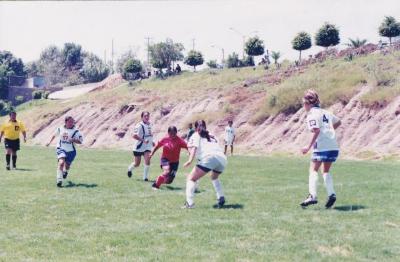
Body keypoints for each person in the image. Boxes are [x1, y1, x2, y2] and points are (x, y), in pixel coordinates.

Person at [300, 89, 341, 209]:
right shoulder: (326, 112)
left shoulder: (312, 114)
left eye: (304, 104)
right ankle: (331, 194)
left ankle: (312, 196)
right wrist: (328, 132)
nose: (303, 106)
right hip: (333, 146)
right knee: (325, 171)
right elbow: (339, 122)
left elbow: (316, 130)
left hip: (322, 146)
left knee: (313, 170)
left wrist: (308, 147)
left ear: (308, 103)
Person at [182, 120, 227, 209]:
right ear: (205, 126)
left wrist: (190, 160)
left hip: (209, 158)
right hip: (222, 158)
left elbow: (194, 148)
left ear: (195, 128)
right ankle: (221, 196)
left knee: (190, 178)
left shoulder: (196, 134)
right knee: (214, 177)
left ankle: (189, 204)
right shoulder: (212, 135)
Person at [46, 116, 83, 188]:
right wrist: (49, 142)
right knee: (61, 163)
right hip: (61, 148)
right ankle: (59, 180)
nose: (71, 123)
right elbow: (54, 135)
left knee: (67, 165)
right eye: (69, 122)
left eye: (72, 122)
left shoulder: (76, 131)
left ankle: (65, 171)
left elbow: (80, 141)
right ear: (65, 122)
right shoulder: (60, 129)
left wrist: (73, 140)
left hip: (71, 151)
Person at [127, 111, 154, 181]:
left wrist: (152, 141)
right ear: (142, 117)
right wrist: (143, 140)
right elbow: (134, 136)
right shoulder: (139, 125)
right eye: (145, 116)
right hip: (139, 147)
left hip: (147, 146)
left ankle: (145, 177)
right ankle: (129, 169)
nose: (147, 117)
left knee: (147, 160)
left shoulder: (149, 125)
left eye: (148, 116)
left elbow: (149, 135)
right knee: (137, 164)